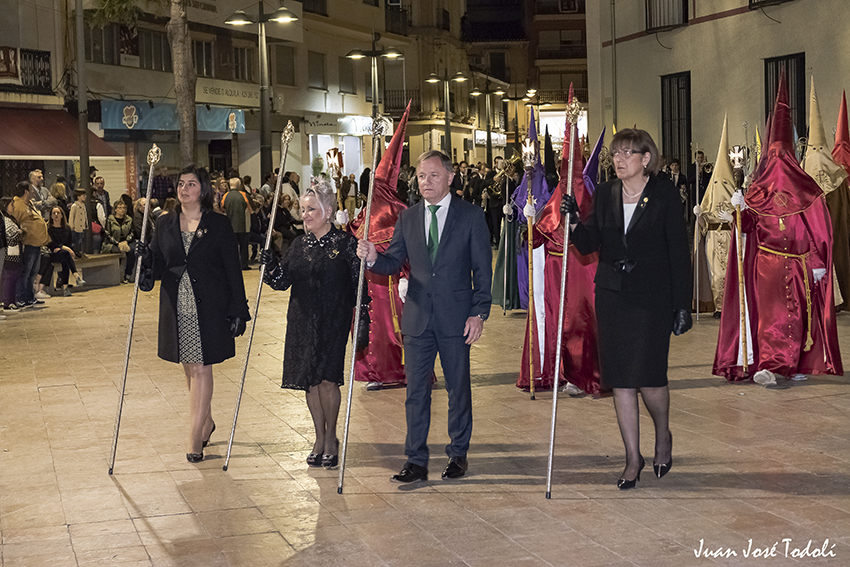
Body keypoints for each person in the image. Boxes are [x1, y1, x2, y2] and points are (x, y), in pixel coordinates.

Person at [562, 128, 692, 489]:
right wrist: (573, 221)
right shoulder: (604, 194)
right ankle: (632, 458)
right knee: (620, 379)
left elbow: (678, 254)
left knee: (650, 378)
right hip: (613, 296)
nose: (618, 160)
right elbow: (589, 244)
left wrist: (682, 304)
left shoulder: (664, 194)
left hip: (652, 300)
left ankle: (662, 434)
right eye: (615, 155)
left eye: (626, 153)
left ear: (645, 158)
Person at [357, 150, 492, 482]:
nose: (426, 182)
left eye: (433, 175)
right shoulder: (408, 218)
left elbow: (482, 270)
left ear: (449, 177)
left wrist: (479, 313)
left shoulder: (471, 216)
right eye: (421, 176)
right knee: (416, 391)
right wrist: (375, 257)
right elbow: (394, 263)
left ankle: (458, 454)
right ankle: (415, 459)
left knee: (458, 388)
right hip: (418, 318)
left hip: (456, 317)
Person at [714, 78, 842, 385]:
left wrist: (818, 265)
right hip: (767, 265)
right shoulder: (757, 191)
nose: (780, 162)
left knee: (798, 318)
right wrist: (739, 209)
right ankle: (770, 365)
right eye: (775, 156)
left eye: (784, 155)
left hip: (799, 265)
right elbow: (748, 229)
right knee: (771, 319)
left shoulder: (808, 191)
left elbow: (818, 233)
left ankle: (793, 363)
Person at [136, 164, 250, 462]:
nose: (184, 189)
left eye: (191, 184)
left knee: (201, 367)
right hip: (177, 304)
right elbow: (159, 262)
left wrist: (239, 307)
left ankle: (194, 436)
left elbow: (232, 270)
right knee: (189, 367)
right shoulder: (164, 223)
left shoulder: (218, 224)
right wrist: (144, 256)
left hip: (209, 304)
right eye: (181, 184)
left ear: (203, 190)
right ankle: (207, 421)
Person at [260, 180, 367, 469]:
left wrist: (364, 322)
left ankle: (331, 437)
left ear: (328, 211)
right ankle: (318, 437)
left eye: (311, 209)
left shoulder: (347, 245)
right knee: (310, 380)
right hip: (302, 320)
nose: (305, 214)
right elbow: (282, 282)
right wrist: (269, 265)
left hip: (334, 319)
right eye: (302, 209)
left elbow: (360, 288)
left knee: (327, 378)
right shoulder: (298, 244)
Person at [11, 181, 49, 308]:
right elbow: (15, 223)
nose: (33, 191)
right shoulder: (16, 205)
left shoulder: (30, 203)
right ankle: (21, 297)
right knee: (25, 272)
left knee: (33, 272)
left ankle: (30, 297)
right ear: (26, 191)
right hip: (27, 243)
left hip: (36, 242)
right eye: (31, 190)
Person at [47, 206, 85, 296]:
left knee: (65, 259)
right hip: (53, 253)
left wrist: (64, 248)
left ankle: (65, 288)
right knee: (66, 254)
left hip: (63, 253)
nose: (56, 215)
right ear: (51, 216)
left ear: (62, 215)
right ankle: (75, 276)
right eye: (54, 213)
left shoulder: (66, 228)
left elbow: (69, 242)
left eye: (58, 213)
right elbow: (51, 243)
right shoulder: (49, 228)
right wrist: (65, 248)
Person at [101, 199, 135, 283]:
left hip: (126, 242)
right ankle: (116, 276)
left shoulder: (129, 220)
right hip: (112, 243)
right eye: (120, 208)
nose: (122, 209)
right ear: (115, 209)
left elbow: (132, 232)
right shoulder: (110, 219)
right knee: (118, 251)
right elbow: (107, 234)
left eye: (124, 208)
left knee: (131, 251)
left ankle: (128, 274)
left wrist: (126, 241)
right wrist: (117, 243)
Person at [222, 177, 252, 270]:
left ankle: (232, 265)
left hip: (229, 225)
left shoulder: (225, 195)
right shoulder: (243, 195)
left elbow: (222, 207)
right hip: (243, 225)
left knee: (231, 247)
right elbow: (251, 209)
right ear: (239, 185)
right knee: (243, 247)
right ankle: (244, 265)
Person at [1, 197, 22, 312]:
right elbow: (10, 235)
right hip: (9, 253)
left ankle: (13, 300)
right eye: (11, 204)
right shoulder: (5, 219)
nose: (13, 206)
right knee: (9, 278)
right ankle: (7, 302)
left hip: (15, 252)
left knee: (14, 277)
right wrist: (20, 232)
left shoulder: (11, 218)